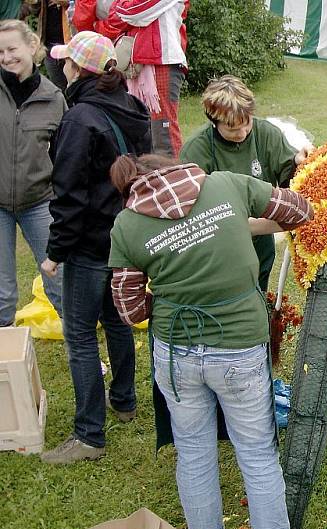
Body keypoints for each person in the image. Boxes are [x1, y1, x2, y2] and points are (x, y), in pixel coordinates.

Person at [107, 153, 316, 529]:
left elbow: (128, 309)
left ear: (135, 188)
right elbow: (298, 210)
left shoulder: (127, 224)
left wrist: (162, 301)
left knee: (194, 451)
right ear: (171, 167)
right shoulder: (226, 184)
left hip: (176, 350)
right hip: (238, 346)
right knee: (257, 454)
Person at [39, 30, 151, 464]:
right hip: (124, 237)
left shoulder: (79, 118)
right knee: (117, 319)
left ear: (77, 69)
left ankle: (89, 436)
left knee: (81, 335)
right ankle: (124, 401)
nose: (60, 66)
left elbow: (69, 195)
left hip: (89, 245)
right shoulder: (133, 106)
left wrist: (55, 253)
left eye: (65, 61)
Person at [180, 75, 312, 290]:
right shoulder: (196, 150)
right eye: (232, 130)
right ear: (214, 123)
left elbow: (290, 178)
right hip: (218, 246)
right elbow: (190, 211)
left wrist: (298, 163)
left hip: (260, 240)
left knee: (258, 294)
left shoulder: (266, 133)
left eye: (246, 124)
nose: (242, 133)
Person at [0, 19, 66, 328]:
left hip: (40, 202)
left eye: (12, 48)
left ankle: (81, 351)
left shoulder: (54, 98)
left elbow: (65, 156)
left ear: (32, 46)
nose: (6, 57)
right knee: (2, 293)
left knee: (60, 283)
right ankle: (6, 365)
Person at [73, 0, 188, 156]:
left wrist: (111, 15)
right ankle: (149, 178)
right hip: (134, 63)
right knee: (139, 133)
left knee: (163, 137)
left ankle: (174, 178)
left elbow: (132, 11)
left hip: (161, 61)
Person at [23, 0, 71, 89]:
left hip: (70, 46)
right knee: (58, 87)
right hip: (49, 46)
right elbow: (34, 11)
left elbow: (82, 7)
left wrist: (64, 2)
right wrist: (35, 3)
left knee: (74, 85)